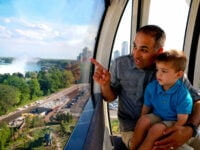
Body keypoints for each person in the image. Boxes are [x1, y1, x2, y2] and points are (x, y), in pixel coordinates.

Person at [90, 25, 200, 150]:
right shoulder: (120, 64)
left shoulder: (171, 70)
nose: (136, 55)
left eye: (144, 50)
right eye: (135, 47)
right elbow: (110, 97)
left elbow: (197, 101)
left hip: (169, 124)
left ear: (159, 51)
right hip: (132, 128)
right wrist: (105, 85)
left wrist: (190, 129)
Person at [130, 50, 193, 150]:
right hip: (158, 116)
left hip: (173, 121)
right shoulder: (152, 87)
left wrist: (169, 133)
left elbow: (181, 121)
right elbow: (146, 108)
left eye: (164, 71)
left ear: (178, 75)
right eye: (157, 70)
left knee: (156, 130)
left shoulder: (183, 95)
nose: (158, 74)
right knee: (143, 121)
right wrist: (142, 124)